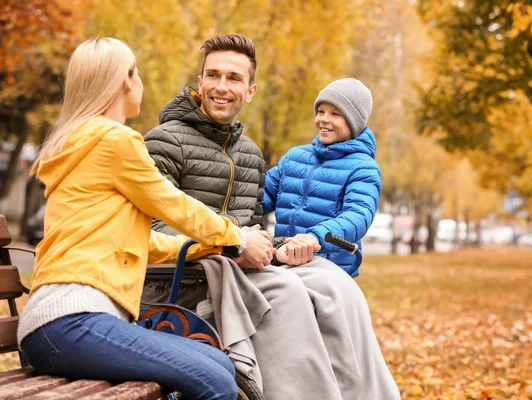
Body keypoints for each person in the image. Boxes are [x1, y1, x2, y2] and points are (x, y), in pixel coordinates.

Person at [143, 34, 400, 399]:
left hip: (241, 264)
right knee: (289, 290)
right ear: (199, 83)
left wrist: (283, 244)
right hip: (183, 277)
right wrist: (234, 245)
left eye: (234, 78)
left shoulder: (249, 154)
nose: (221, 86)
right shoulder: (164, 140)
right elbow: (153, 224)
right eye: (213, 75)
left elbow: (253, 219)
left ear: (250, 90)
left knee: (336, 286)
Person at [17, 37, 275, 400]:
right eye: (137, 74)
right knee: (214, 382)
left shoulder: (82, 141)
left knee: (220, 366)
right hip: (71, 322)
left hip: (58, 324)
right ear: (125, 80)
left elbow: (140, 242)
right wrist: (239, 238)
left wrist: (209, 248)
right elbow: (173, 205)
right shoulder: (114, 141)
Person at [263, 78, 381, 277]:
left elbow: (357, 216)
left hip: (328, 272)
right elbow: (260, 195)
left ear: (354, 123)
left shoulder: (364, 168)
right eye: (321, 111)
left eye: (335, 114)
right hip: (282, 265)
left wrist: (315, 237)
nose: (324, 119)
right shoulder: (295, 157)